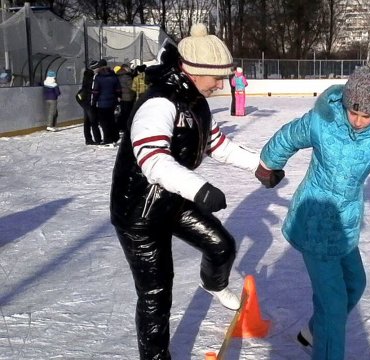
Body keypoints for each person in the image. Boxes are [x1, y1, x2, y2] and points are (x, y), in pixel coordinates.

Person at [255, 54, 370, 360]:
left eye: (368, 115)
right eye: (354, 111)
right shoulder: (323, 120)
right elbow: (288, 136)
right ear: (347, 102)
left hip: (344, 223)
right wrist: (268, 164)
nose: (359, 121)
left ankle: (313, 331)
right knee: (334, 305)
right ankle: (325, 345)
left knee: (355, 283)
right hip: (312, 221)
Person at [110, 23, 261, 360]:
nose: (221, 84)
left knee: (222, 246)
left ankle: (214, 284)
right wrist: (201, 188)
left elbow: (217, 145)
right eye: (216, 77)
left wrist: (258, 166)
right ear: (193, 71)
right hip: (139, 213)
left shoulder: (195, 102)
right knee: (156, 293)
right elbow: (153, 160)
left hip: (171, 200)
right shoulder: (158, 104)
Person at [90, 58, 121, 146]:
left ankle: (108, 139)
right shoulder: (113, 75)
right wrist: (118, 98)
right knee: (112, 120)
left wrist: (93, 102)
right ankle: (116, 137)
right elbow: (118, 89)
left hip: (102, 103)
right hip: (112, 102)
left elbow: (95, 91)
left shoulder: (98, 77)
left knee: (104, 122)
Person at [76, 68, 102, 144]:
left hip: (85, 103)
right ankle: (98, 139)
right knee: (94, 122)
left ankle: (88, 139)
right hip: (89, 103)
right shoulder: (91, 82)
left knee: (87, 122)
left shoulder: (85, 82)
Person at [115, 63, 136, 133]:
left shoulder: (117, 75)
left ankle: (119, 127)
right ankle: (125, 127)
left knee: (122, 113)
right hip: (128, 97)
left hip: (120, 97)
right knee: (127, 113)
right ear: (125, 68)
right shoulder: (127, 77)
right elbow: (132, 87)